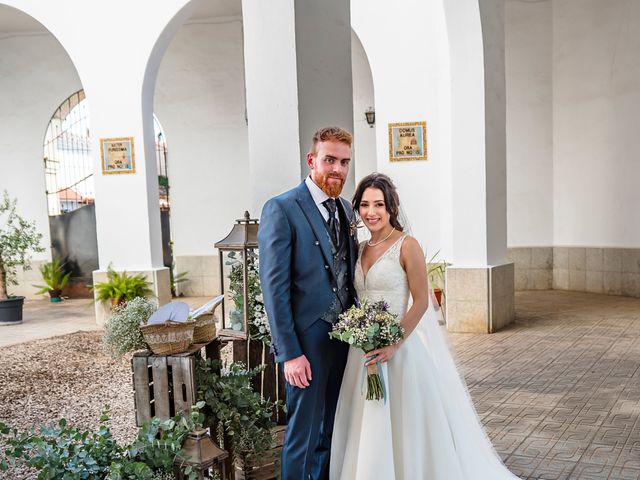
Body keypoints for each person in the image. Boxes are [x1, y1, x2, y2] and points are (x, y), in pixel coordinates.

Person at [330, 173, 519, 480]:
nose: (371, 212)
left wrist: (393, 343)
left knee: (401, 422)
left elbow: (421, 302)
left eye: (379, 204)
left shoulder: (407, 246)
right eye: (364, 205)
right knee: (365, 419)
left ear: (391, 207)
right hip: (361, 349)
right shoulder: (360, 247)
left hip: (398, 350)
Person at [258, 126, 359, 480]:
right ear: (312, 160)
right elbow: (274, 288)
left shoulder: (347, 209)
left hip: (345, 341)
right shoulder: (282, 208)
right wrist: (289, 353)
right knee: (302, 434)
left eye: (345, 162)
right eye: (330, 160)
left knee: (331, 429)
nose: (338, 170)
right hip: (306, 346)